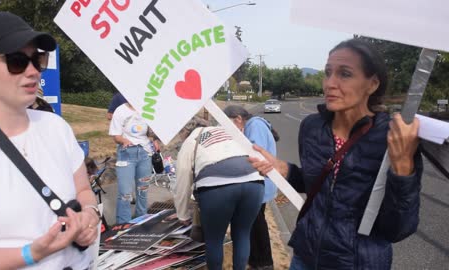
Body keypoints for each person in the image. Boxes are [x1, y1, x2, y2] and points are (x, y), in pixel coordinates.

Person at [249, 38, 423, 270]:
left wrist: (402, 167)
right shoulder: (312, 128)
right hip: (306, 256)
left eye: (345, 74)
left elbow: (398, 228)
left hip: (358, 262)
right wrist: (283, 169)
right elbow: (319, 186)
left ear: (372, 84)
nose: (330, 83)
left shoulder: (393, 137)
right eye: (327, 72)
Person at [0, 12, 100, 269]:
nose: (32, 71)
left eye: (37, 59)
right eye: (16, 61)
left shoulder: (56, 128)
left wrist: (89, 216)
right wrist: (31, 253)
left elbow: (84, 191)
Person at [174, 125, 265, 270]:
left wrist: (182, 213)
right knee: (242, 234)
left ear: (185, 132)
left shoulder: (192, 139)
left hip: (216, 186)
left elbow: (183, 177)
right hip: (254, 182)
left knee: (214, 239)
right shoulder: (227, 130)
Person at [224, 105, 278, 270]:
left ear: (239, 119)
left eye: (229, 125)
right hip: (260, 182)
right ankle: (257, 260)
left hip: (261, 183)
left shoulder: (254, 125)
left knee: (256, 225)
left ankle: (263, 262)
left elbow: (254, 153)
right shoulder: (254, 125)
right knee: (254, 223)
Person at [109, 102, 159, 223]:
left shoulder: (147, 108)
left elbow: (151, 131)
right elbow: (116, 136)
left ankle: (141, 219)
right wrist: (123, 140)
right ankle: (123, 225)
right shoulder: (120, 110)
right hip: (126, 154)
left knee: (143, 189)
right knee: (125, 193)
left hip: (145, 153)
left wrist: (155, 140)